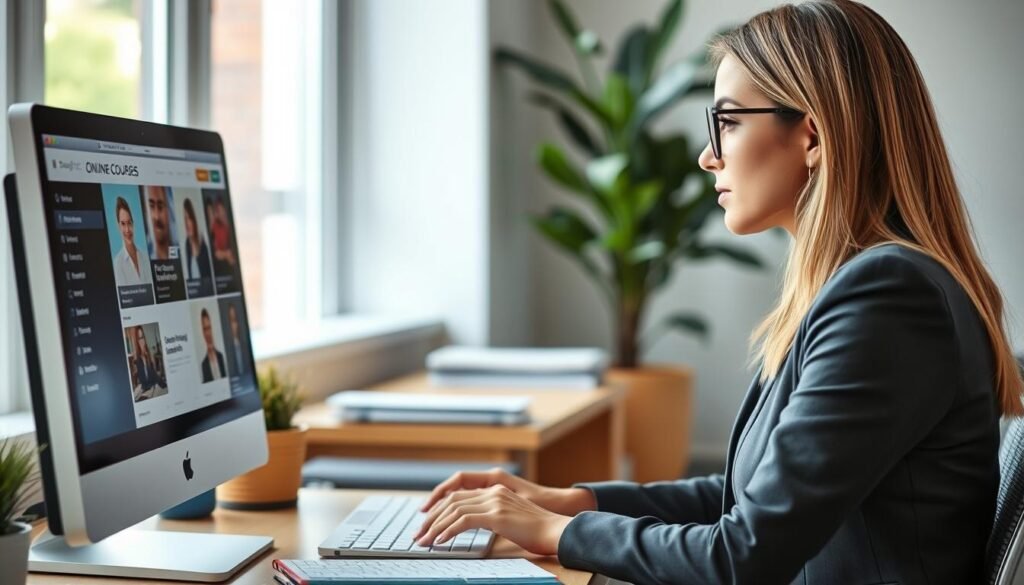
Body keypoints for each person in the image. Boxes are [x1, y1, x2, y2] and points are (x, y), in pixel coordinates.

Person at [412, 1, 1024, 583]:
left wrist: (557, 532)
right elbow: (751, 497)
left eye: (727, 123)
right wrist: (572, 502)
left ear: (812, 136)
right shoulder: (876, 286)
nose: (708, 156)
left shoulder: (888, 297)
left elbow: (741, 559)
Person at [112, 196, 152, 287]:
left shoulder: (145, 257)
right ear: (119, 226)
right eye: (123, 224)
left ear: (133, 224)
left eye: (129, 223)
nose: (127, 230)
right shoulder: (118, 264)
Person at [182, 197, 212, 282]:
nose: (187, 223)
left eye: (189, 218)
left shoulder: (202, 240)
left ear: (193, 219)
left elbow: (208, 275)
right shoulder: (187, 243)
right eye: (185, 219)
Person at [131, 326, 163, 399]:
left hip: (154, 387)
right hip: (145, 389)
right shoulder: (136, 359)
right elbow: (140, 381)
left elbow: (155, 375)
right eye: (139, 338)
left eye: (142, 337)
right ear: (136, 341)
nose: (141, 341)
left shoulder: (150, 355)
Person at [145, 185, 175, 260]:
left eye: (160, 206)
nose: (157, 217)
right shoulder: (144, 254)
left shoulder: (181, 250)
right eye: (151, 206)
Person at [199, 308, 226, 383]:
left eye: (209, 328)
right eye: (205, 329)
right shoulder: (204, 365)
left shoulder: (221, 357)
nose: (208, 333)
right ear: (202, 333)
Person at [226, 303, 248, 377]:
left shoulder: (245, 346)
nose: (235, 324)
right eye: (232, 320)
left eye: (235, 319)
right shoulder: (227, 350)